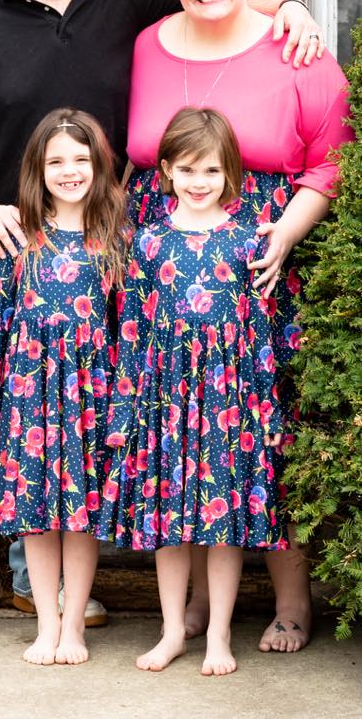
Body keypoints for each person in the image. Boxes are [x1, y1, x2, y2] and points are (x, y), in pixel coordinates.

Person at [0, 0, 324, 653]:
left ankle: (46, 590)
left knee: (80, 421)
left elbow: (216, 2)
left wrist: (289, 7)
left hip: (101, 261)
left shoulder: (124, 3)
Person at [124, 0, 353, 654]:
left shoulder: (298, 47)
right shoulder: (147, 46)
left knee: (263, 424)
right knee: (183, 421)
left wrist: (284, 235)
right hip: (162, 254)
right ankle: (190, 609)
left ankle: (291, 602)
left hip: (259, 257)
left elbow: (330, 159)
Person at [99, 107, 288, 675]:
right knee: (168, 527)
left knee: (223, 523)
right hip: (163, 402)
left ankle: (220, 638)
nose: (199, 182)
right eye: (187, 170)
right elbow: (132, 327)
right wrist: (126, 407)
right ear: (165, 173)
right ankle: (172, 631)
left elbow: (262, 330)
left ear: (229, 173)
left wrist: (263, 409)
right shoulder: (150, 243)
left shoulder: (247, 241)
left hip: (228, 404)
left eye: (210, 170)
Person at [0, 108, 126, 665]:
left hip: (90, 404)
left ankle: (74, 626)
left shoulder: (116, 244)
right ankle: (46, 627)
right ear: (37, 170)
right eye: (57, 160)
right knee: (37, 518)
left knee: (80, 520)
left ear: (100, 168)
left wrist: (123, 412)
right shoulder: (19, 244)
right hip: (31, 403)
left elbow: (132, 334)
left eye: (81, 159)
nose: (70, 170)